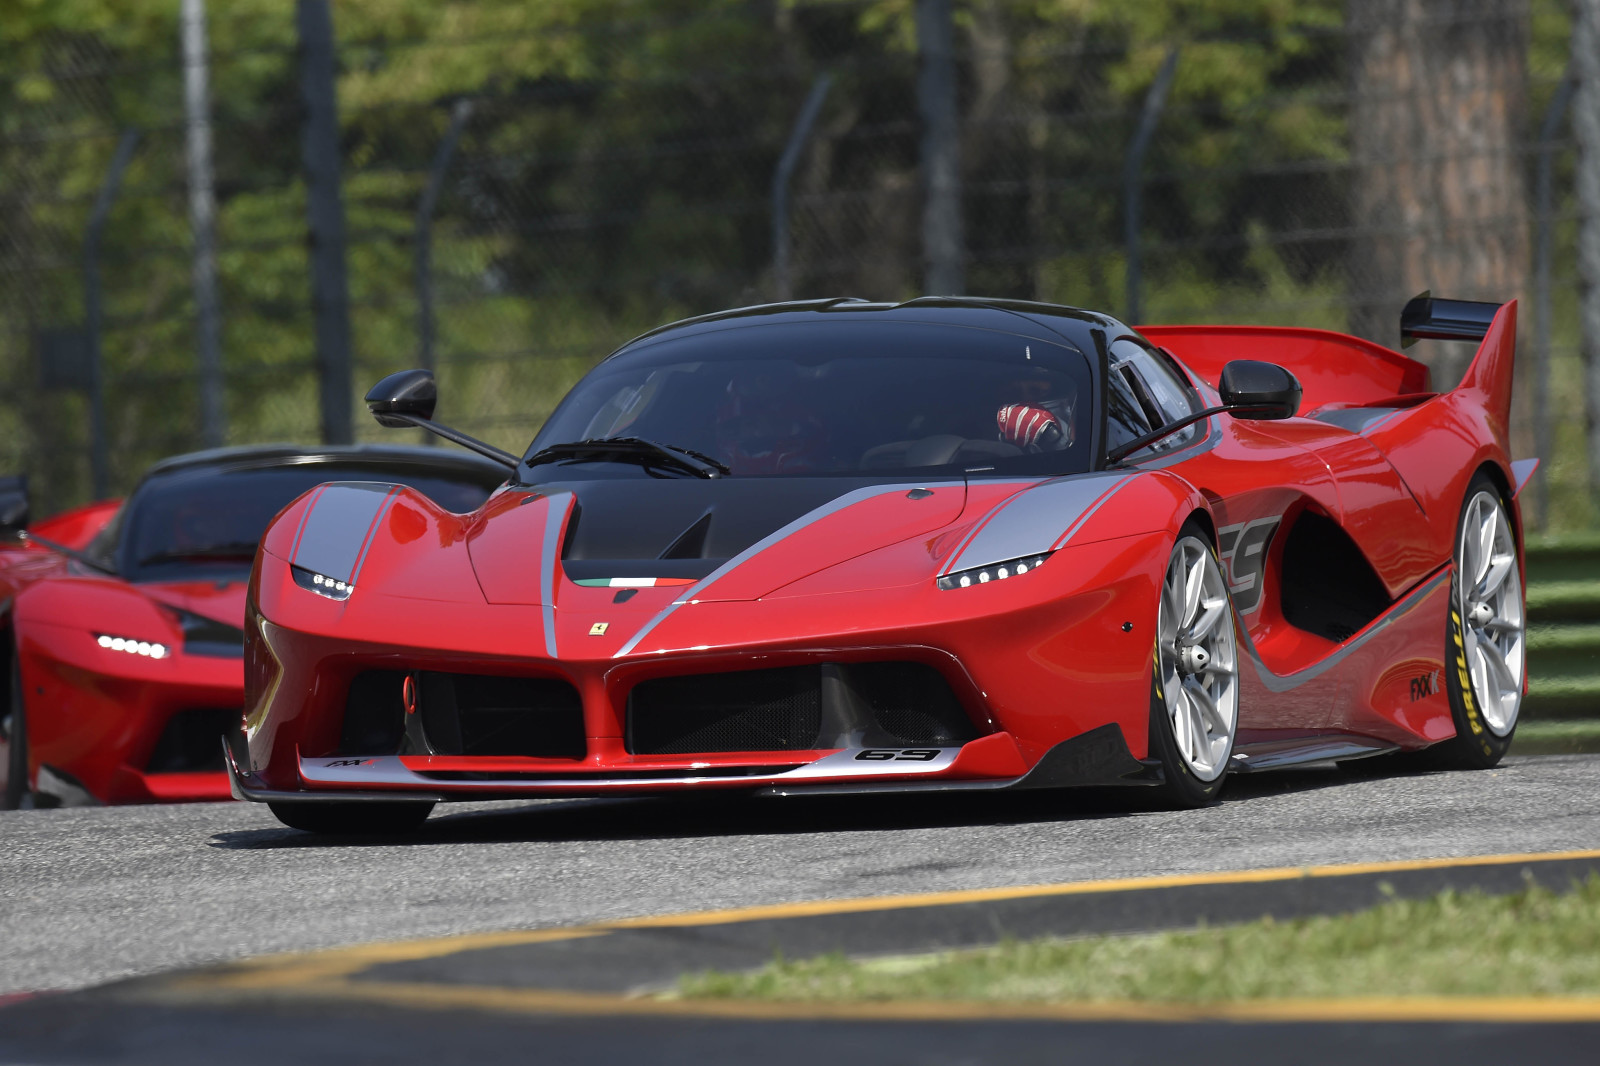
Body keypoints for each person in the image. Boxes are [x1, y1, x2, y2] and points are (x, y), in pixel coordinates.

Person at [996, 373, 1077, 452]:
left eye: (1035, 391)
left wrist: (1054, 436)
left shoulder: (1075, 414)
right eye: (1015, 392)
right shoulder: (993, 429)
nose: (1025, 398)